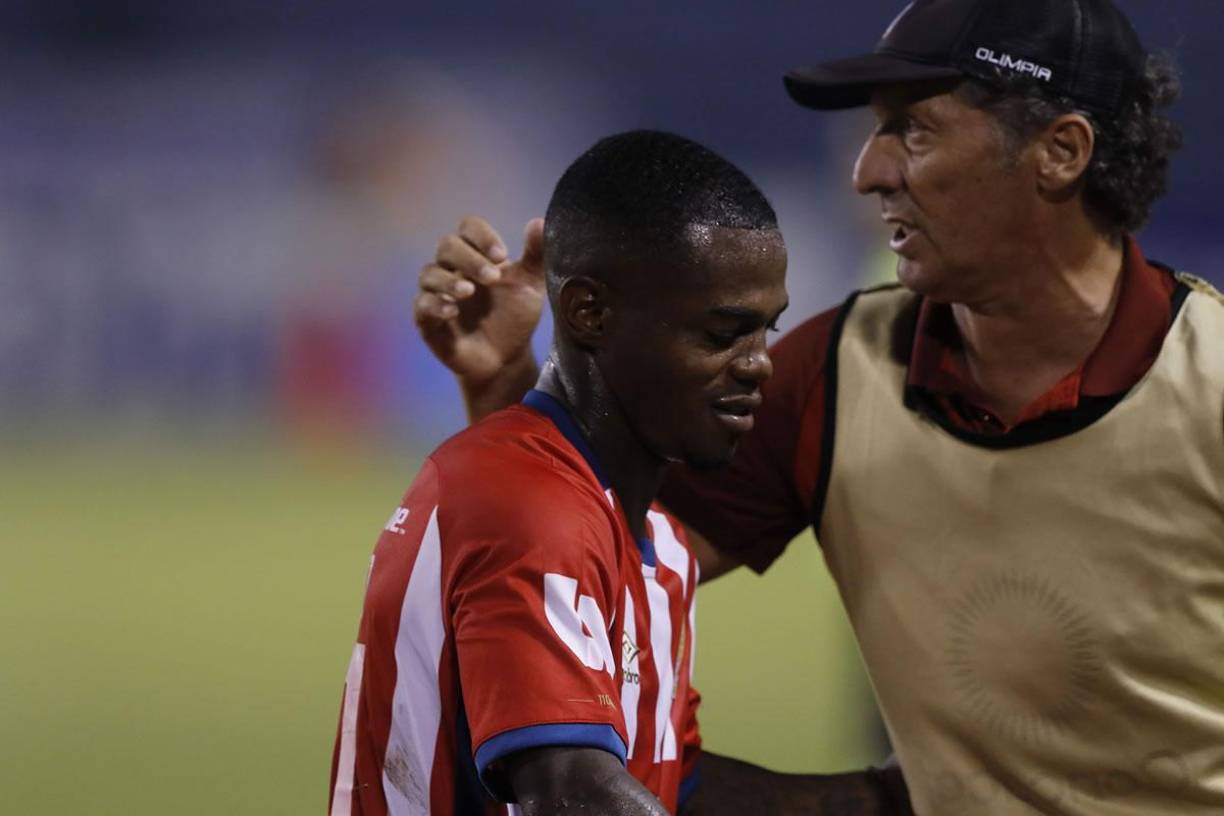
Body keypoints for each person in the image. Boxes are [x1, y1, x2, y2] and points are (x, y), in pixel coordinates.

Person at [412, 1, 1224, 814]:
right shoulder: (836, 374)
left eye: (913, 131)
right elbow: (580, 573)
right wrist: (506, 385)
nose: (868, 172)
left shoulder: (1211, 384)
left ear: (1061, 151)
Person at [332, 129, 913, 816]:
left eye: (767, 330)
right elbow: (571, 793)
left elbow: (666, 780)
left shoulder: (657, 541)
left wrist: (881, 799)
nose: (759, 363)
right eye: (721, 333)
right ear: (589, 313)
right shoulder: (525, 505)